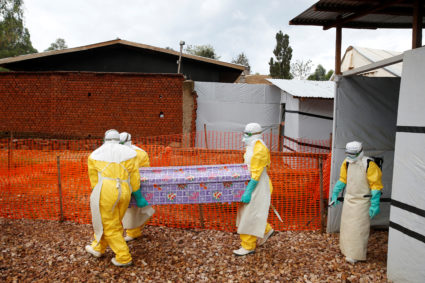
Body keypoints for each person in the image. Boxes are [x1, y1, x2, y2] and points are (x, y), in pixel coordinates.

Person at [85, 129, 146, 267]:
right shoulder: (131, 154)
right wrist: (138, 195)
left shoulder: (95, 154)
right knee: (114, 221)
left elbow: (94, 180)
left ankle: (123, 256)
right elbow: (135, 178)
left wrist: (96, 192)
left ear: (105, 139)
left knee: (109, 224)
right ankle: (97, 247)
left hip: (106, 190)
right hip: (125, 189)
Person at [330, 141, 383, 264]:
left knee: (359, 229)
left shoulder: (369, 164)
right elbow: (343, 179)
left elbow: (376, 186)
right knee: (347, 227)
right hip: (349, 200)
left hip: (362, 202)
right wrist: (335, 193)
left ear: (360, 152)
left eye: (353, 154)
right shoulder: (346, 162)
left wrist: (375, 204)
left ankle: (356, 254)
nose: (350, 156)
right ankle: (346, 249)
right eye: (349, 154)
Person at [234, 122, 275, 256]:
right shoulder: (251, 147)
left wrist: (248, 190)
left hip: (258, 185)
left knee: (248, 217)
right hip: (252, 183)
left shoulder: (259, 149)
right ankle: (265, 230)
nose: (244, 138)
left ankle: (248, 246)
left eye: (247, 134)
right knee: (250, 214)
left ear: (255, 134)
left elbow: (256, 173)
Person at [119, 132, 154, 241]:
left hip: (129, 185)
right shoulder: (140, 152)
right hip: (136, 184)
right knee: (134, 209)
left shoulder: (131, 154)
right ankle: (134, 231)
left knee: (130, 210)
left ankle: (131, 232)